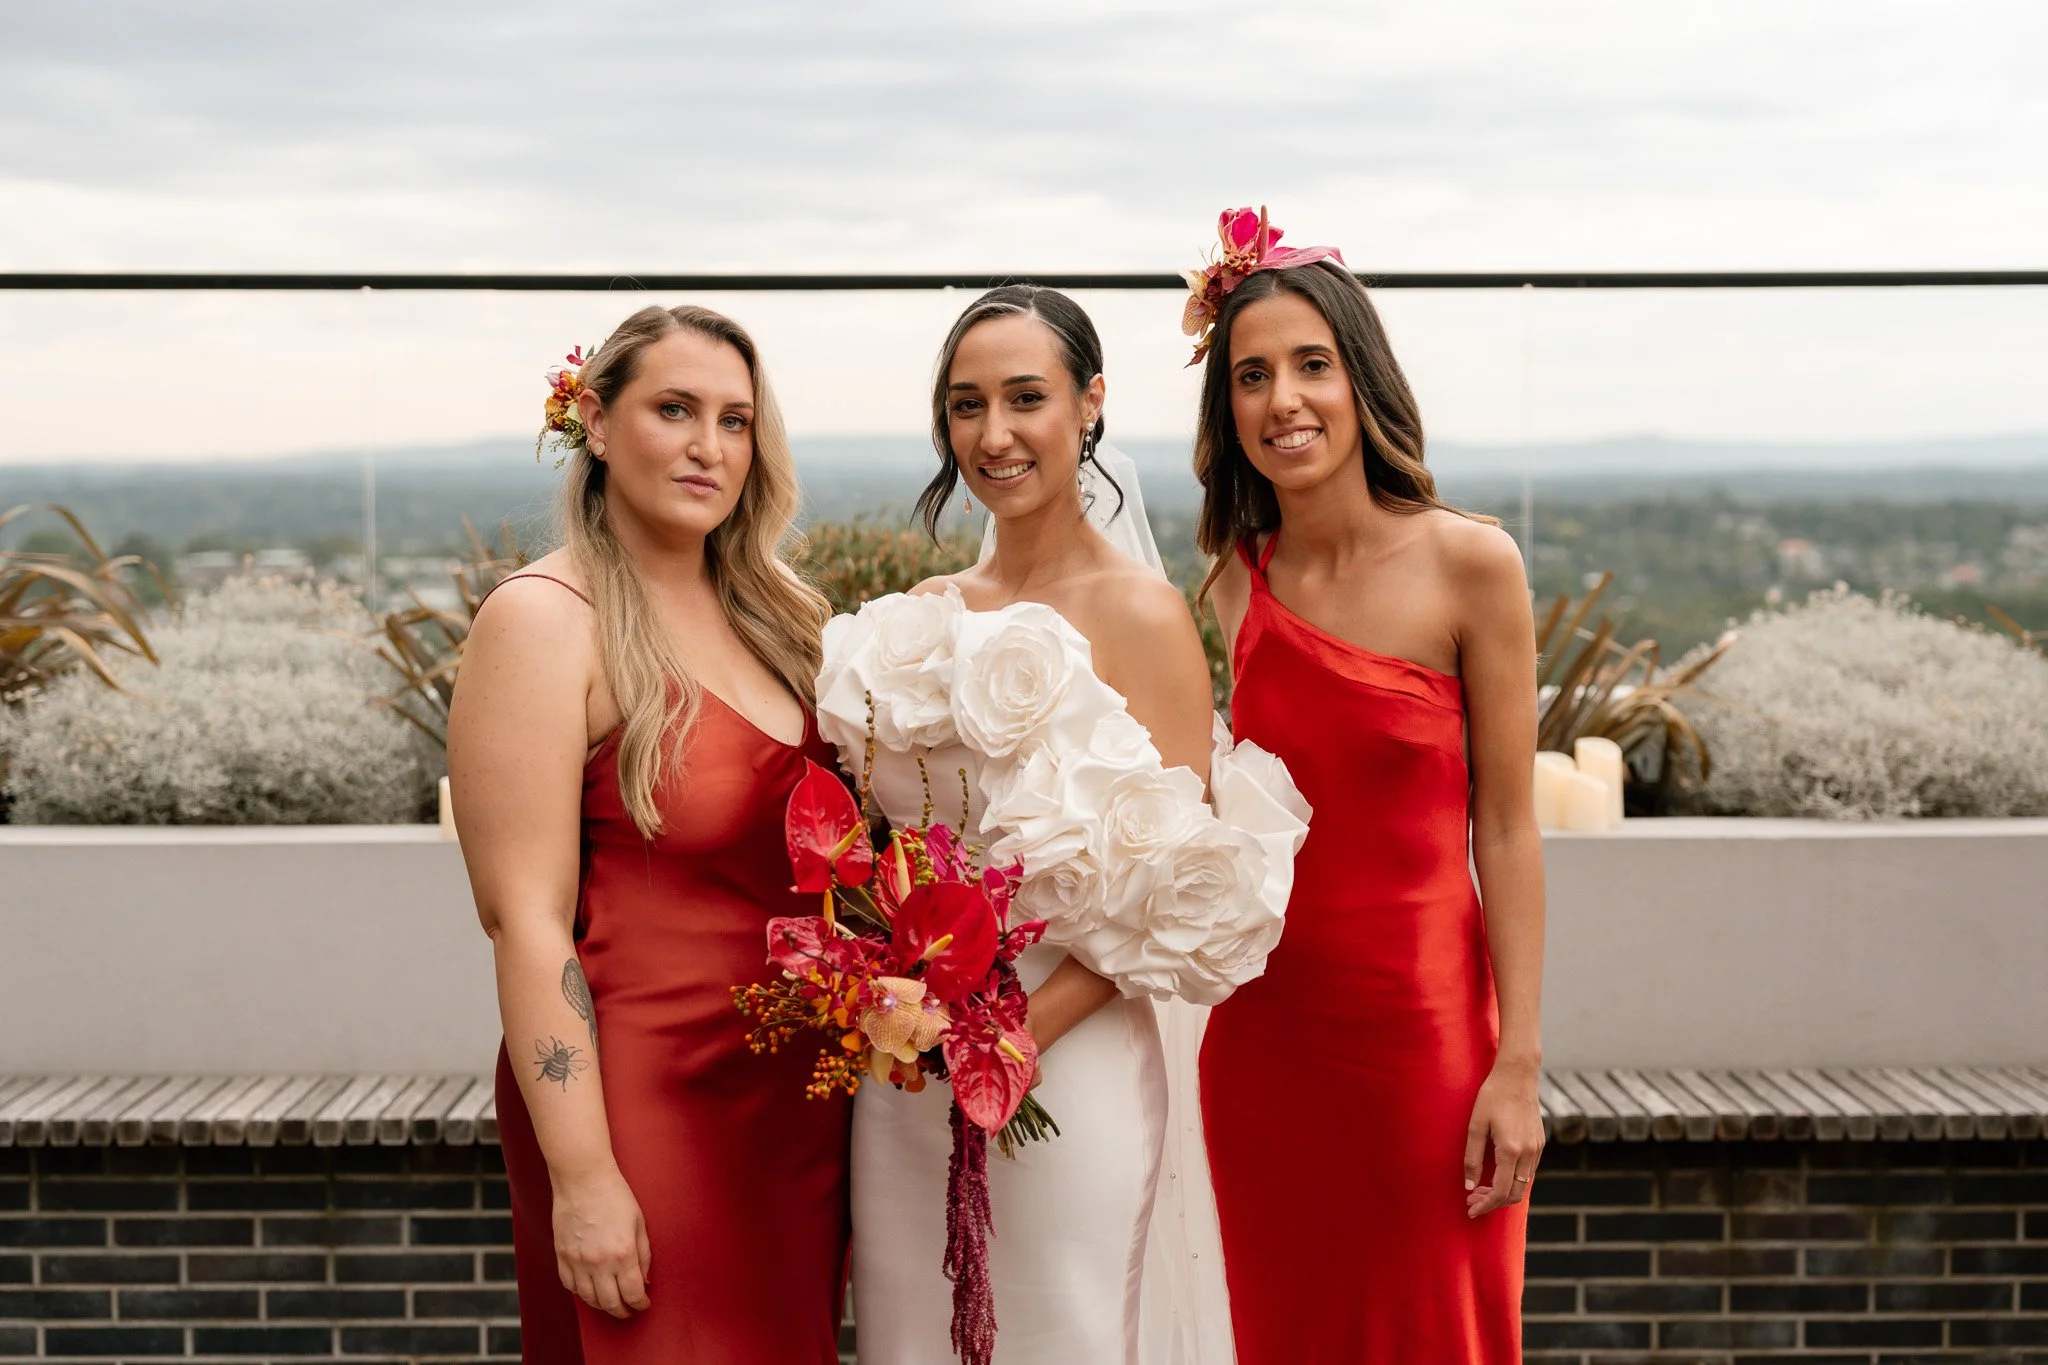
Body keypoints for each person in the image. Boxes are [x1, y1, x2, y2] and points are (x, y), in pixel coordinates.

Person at [447, 304, 849, 1364]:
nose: (707, 447)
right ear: (593, 417)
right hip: (639, 1106)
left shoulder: (782, 617)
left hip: (795, 1108)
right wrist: (581, 1178)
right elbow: (523, 924)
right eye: (673, 409)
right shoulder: (540, 622)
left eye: (733, 419)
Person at [847, 285, 1229, 1364]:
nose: (993, 433)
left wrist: (1008, 1038)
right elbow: (893, 848)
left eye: (1026, 397)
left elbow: (1172, 884)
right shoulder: (920, 615)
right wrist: (896, 1000)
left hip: (1069, 1062)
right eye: (965, 405)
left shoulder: (1142, 615)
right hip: (909, 1075)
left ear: (1091, 403)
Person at [1190, 213, 1545, 1363]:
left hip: (1423, 1049)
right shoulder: (1233, 588)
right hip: (1260, 1046)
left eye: (1310, 366)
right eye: (1251, 376)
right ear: (1225, 410)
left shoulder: (1470, 563)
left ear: (1361, 380)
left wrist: (1517, 1062)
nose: (1282, 400)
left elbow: (1506, 825)